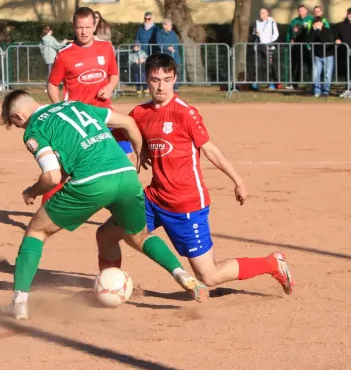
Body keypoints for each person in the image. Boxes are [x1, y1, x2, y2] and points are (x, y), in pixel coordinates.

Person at [0, 90, 203, 320]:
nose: (21, 129)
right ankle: (182, 274)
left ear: (18, 116)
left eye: (17, 125)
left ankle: (19, 303)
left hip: (91, 183)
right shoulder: (75, 105)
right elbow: (127, 122)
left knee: (36, 231)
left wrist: (32, 191)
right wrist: (138, 153)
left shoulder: (35, 129)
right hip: (126, 176)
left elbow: (52, 177)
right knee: (139, 236)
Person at [110, 53, 294, 300]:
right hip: (154, 198)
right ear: (146, 80)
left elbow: (210, 150)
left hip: (186, 205)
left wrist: (237, 181)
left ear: (175, 79)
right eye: (155, 79)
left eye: (166, 79)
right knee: (108, 233)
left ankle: (272, 264)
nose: (161, 86)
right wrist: (135, 149)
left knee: (209, 276)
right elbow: (115, 140)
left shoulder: (185, 113)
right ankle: (111, 285)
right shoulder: (140, 113)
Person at [44, 6, 133, 203]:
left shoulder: (106, 48)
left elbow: (114, 75)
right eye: (79, 27)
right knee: (63, 171)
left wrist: (110, 86)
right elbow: (52, 85)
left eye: (87, 27)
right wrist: (59, 109)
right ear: (73, 28)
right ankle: (46, 211)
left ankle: (124, 206)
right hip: (79, 120)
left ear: (95, 26)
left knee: (126, 157)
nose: (84, 32)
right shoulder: (65, 54)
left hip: (104, 114)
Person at [252, 8, 279, 90]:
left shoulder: (271, 22)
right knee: (258, 65)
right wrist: (255, 34)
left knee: (270, 65)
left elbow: (276, 34)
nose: (261, 14)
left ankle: (272, 83)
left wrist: (270, 42)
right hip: (259, 46)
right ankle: (257, 83)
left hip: (268, 46)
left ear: (267, 14)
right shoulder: (257, 23)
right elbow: (254, 33)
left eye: (263, 13)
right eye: (260, 13)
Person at [309, 16, 335, 97]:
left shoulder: (327, 31)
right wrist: (313, 31)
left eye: (319, 23)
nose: (317, 25)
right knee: (316, 74)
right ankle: (317, 91)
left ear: (322, 23)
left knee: (327, 75)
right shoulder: (312, 31)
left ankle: (326, 91)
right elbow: (309, 41)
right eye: (316, 23)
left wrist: (319, 32)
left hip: (328, 55)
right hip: (317, 56)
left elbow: (326, 41)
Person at [154, 19, 181, 92]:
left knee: (176, 71)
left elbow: (177, 43)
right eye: (169, 25)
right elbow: (158, 44)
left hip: (174, 55)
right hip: (165, 56)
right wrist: (167, 48)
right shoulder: (159, 33)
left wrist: (173, 48)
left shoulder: (173, 33)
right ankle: (166, 88)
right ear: (164, 26)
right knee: (165, 72)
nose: (170, 27)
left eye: (171, 25)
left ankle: (176, 87)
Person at [335, 7, 351, 98]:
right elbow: (336, 35)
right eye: (349, 14)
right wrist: (337, 39)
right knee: (348, 71)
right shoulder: (341, 25)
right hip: (345, 51)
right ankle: (348, 89)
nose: (350, 16)